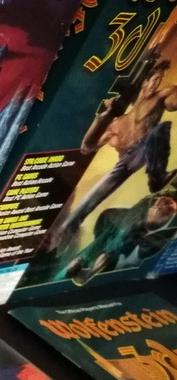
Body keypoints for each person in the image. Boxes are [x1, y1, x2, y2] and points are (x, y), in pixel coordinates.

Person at [49, 61, 177, 252]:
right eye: (154, 79)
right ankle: (57, 248)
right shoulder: (117, 124)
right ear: (144, 81)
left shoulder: (162, 96)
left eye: (159, 80)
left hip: (146, 149)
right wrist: (100, 118)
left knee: (160, 129)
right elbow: (87, 147)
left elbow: (172, 104)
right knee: (84, 206)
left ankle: (157, 177)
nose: (156, 84)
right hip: (125, 162)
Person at [63, 191, 177, 285]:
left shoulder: (164, 239)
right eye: (162, 203)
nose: (163, 207)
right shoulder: (117, 218)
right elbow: (104, 226)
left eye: (169, 206)